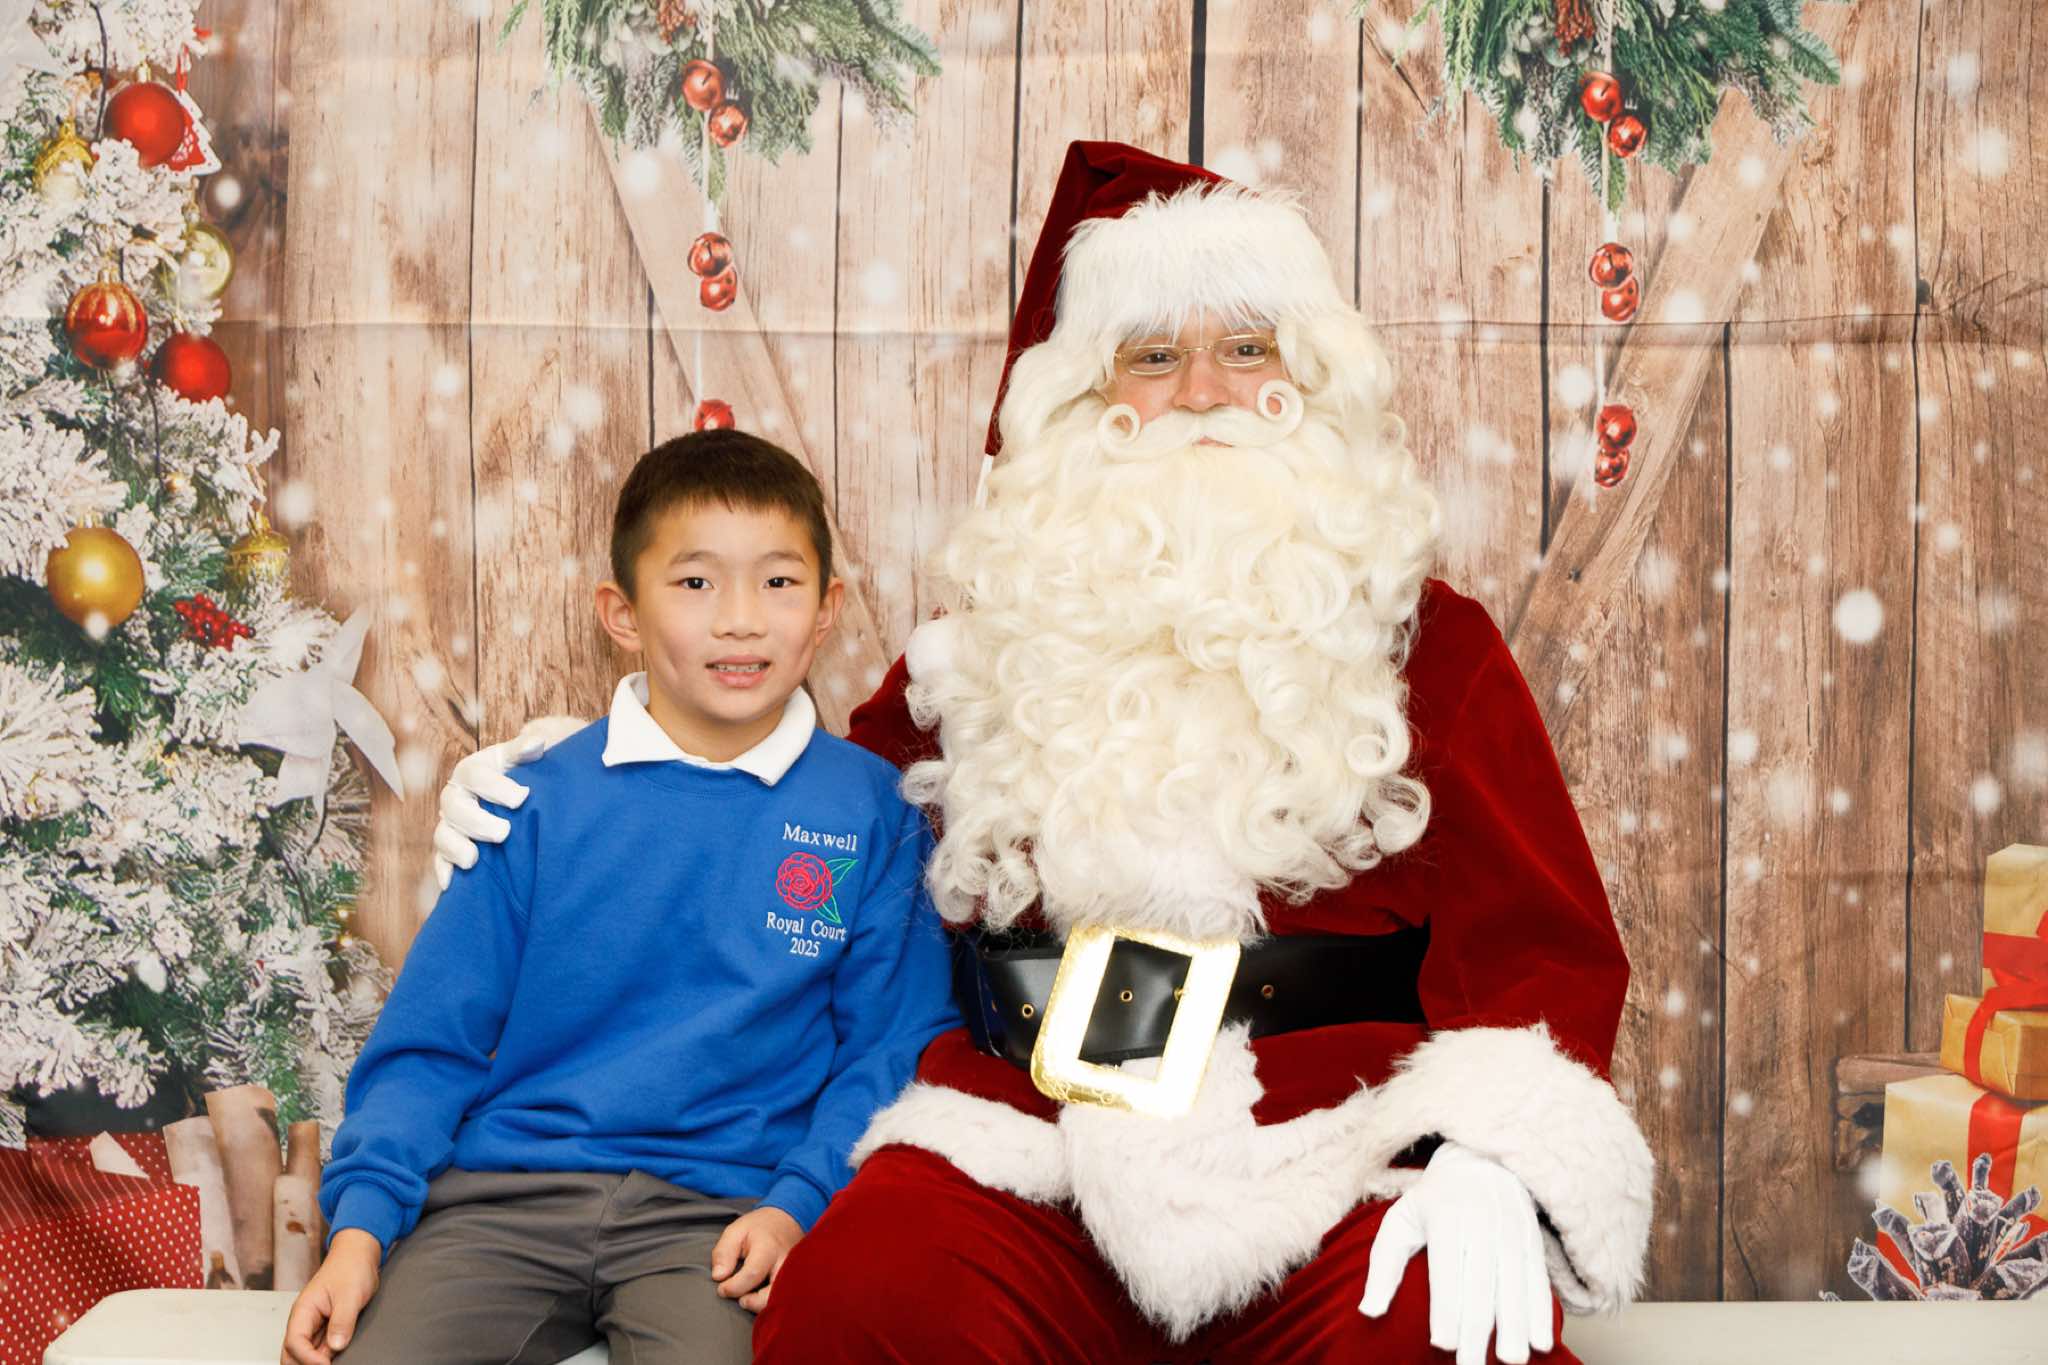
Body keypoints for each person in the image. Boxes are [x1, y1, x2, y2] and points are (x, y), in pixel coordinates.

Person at [435, 142, 1652, 1364]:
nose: (1202, 394)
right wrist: (587, 783)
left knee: (1438, 1336)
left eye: (1246, 349)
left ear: (1309, 378)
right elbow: (799, 830)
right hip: (1029, 1149)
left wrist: (1490, 1155)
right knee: (861, 1300)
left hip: (1334, 1149)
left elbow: (1537, 946)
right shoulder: (978, 651)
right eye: (1152, 357)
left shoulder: (1429, 642)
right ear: (1082, 400)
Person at [283, 431, 957, 1365]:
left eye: (778, 581)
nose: (740, 620)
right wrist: (359, 1230)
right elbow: (430, 1042)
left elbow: (890, 1048)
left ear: (826, 608)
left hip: (724, 1216)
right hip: (499, 1203)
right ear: (622, 613)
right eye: (695, 582)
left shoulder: (874, 813)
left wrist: (797, 1204)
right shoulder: (531, 799)